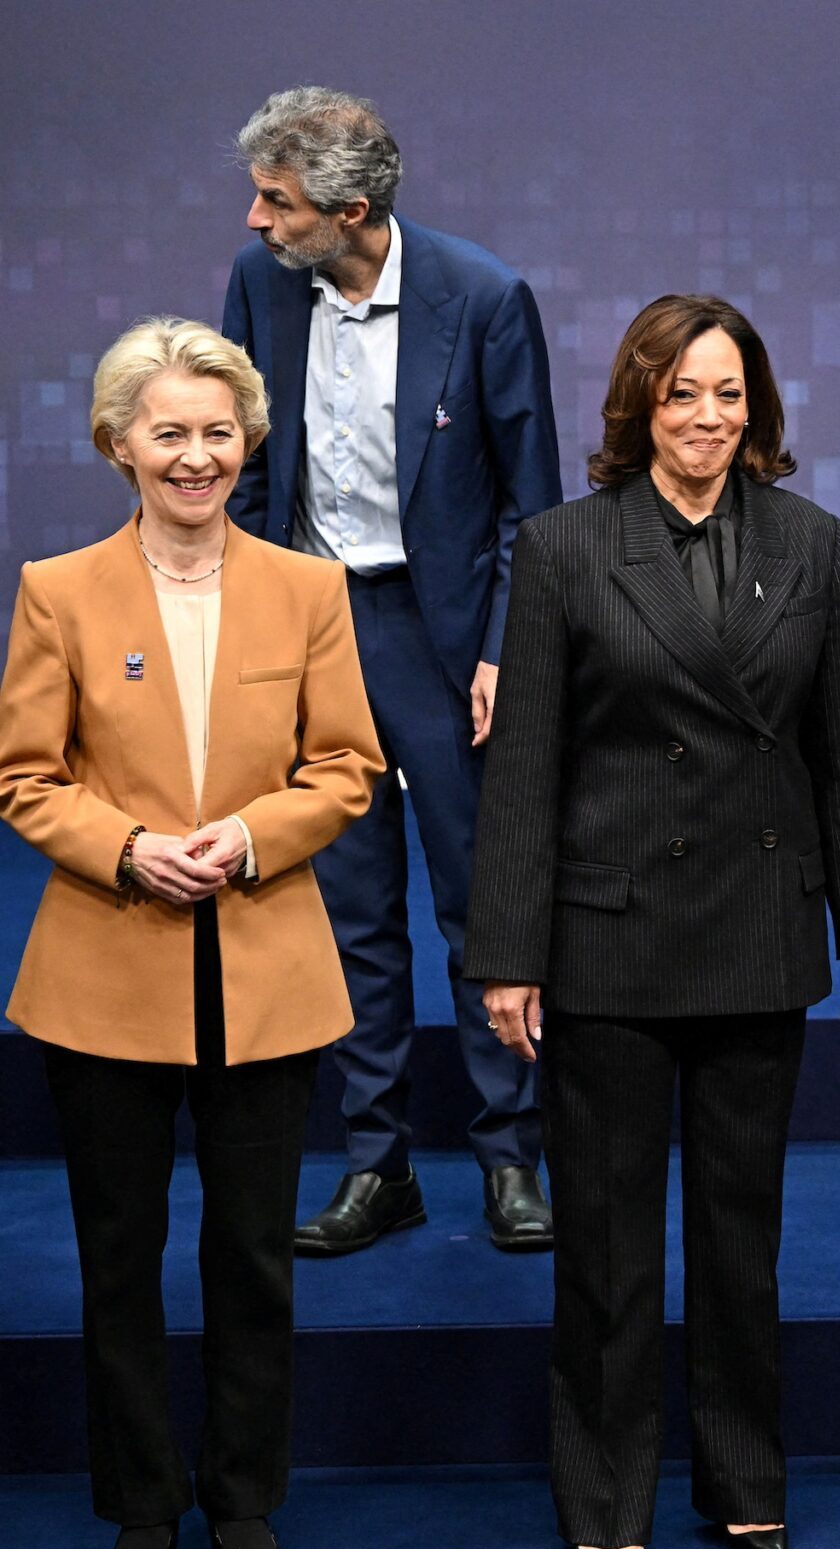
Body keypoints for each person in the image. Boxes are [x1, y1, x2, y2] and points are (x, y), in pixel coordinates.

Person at [464, 295, 840, 1549]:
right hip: (609, 940)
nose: (707, 420)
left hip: (759, 933)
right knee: (604, 1247)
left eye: (728, 396)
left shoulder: (810, 544)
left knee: (739, 1239)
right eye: (681, 397)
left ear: (756, 407)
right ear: (637, 407)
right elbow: (526, 761)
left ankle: (744, 1482)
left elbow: (836, 749)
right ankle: (606, 1495)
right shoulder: (561, 549)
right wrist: (506, 953)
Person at [0, 318, 382, 1549]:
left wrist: (252, 838)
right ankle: (143, 1504)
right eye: (170, 431)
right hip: (106, 971)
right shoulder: (58, 590)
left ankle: (243, 1501)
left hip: (266, 966)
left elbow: (345, 769)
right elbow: (25, 779)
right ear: (119, 444)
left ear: (251, 440)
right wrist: (124, 849)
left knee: (252, 1257)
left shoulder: (307, 589)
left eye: (219, 431)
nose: (197, 455)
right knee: (119, 1259)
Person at [221, 87, 564, 1255]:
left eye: (279, 202)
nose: (259, 221)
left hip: (443, 634)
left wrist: (502, 649)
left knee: (482, 905)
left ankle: (511, 1156)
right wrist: (259, 629)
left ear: (350, 210)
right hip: (315, 627)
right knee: (352, 913)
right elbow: (256, 474)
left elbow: (533, 503)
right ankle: (380, 1165)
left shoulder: (482, 297)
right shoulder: (260, 285)